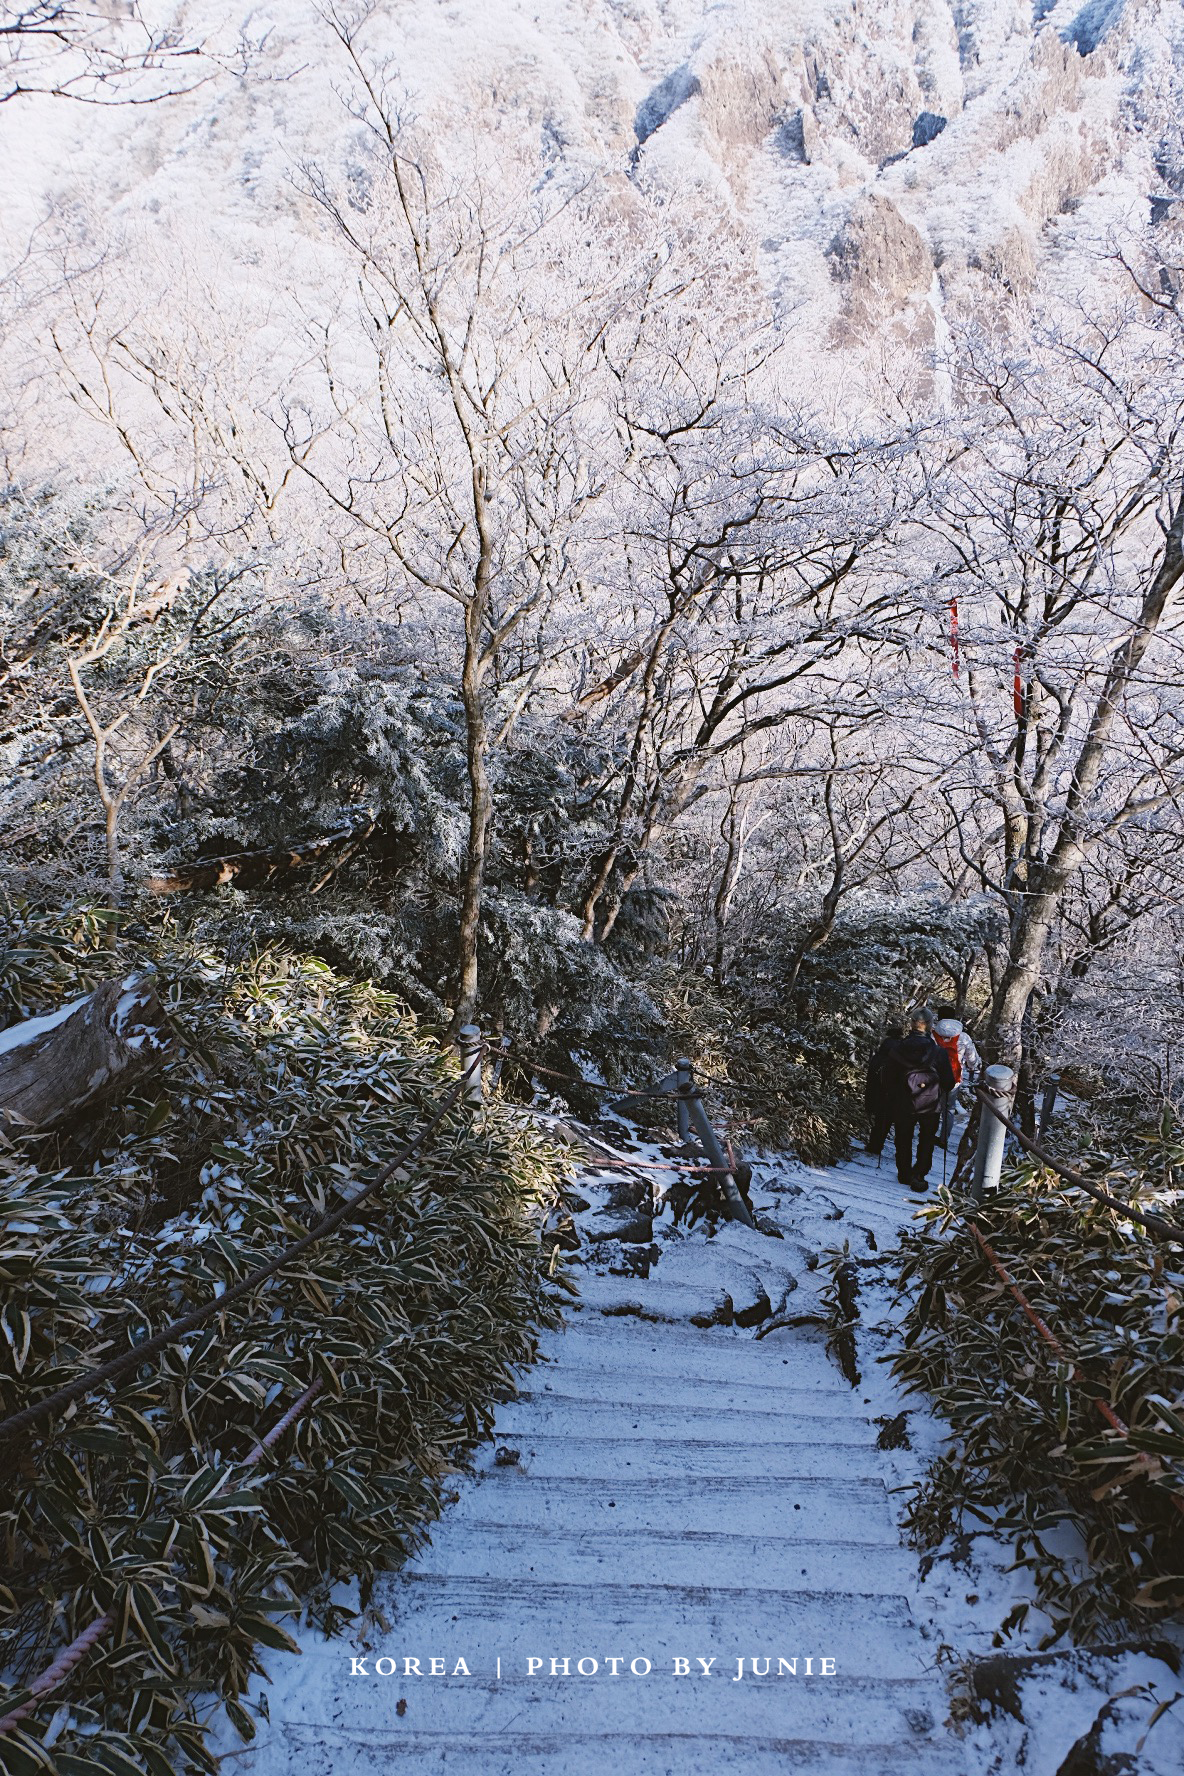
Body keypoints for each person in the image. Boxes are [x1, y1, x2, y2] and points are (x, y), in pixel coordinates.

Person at [885, 1008, 955, 1190]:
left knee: (903, 1137)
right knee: (927, 1138)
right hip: (930, 1104)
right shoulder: (938, 1052)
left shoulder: (897, 1049)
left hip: (903, 1101)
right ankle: (920, 1173)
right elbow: (949, 1082)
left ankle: (904, 1173)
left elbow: (887, 1078)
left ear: (911, 1024)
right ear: (931, 1026)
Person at [932, 1004, 981, 1149]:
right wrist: (973, 1070)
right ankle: (943, 1138)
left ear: (939, 1017)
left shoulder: (933, 1033)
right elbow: (973, 1059)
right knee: (949, 1108)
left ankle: (929, 1132)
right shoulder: (963, 1037)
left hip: (933, 1076)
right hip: (954, 1078)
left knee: (933, 1106)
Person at [864, 1019, 904, 1156]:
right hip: (891, 1091)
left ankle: (873, 1144)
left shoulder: (880, 1053)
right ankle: (877, 1145)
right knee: (886, 1119)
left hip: (877, 1089)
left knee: (879, 1118)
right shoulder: (899, 1052)